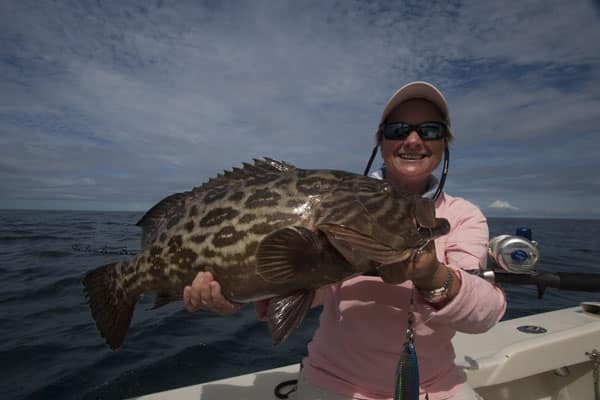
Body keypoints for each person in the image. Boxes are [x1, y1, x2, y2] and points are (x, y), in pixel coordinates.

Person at [183, 81, 507, 400]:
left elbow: (485, 314)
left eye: (430, 130)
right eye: (397, 130)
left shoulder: (464, 216)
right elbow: (306, 288)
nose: (412, 140)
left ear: (444, 142)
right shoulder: (343, 201)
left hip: (436, 385)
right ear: (380, 141)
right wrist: (235, 295)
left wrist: (431, 275)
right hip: (334, 383)